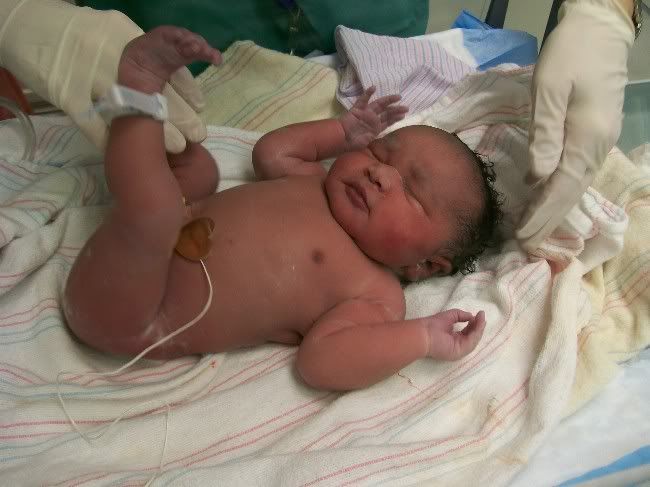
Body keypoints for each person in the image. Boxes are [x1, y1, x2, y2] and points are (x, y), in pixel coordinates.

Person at [62, 26, 503, 391]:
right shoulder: (315, 180)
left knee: (154, 209)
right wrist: (341, 133)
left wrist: (421, 338)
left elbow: (323, 362)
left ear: (426, 265)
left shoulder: (376, 296)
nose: (380, 174)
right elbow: (270, 152)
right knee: (197, 166)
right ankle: (137, 134)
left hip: (133, 310)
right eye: (379, 152)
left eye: (411, 192)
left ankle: (137, 87)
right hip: (152, 243)